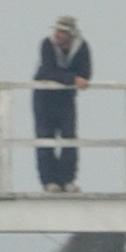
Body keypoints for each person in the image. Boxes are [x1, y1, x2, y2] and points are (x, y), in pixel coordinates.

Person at [33, 15, 92, 192]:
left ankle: (68, 180)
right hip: (44, 98)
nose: (57, 34)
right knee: (45, 138)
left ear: (71, 34)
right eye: (57, 30)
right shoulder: (47, 44)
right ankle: (49, 181)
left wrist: (72, 79)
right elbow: (48, 71)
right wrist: (72, 78)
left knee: (69, 138)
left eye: (62, 31)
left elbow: (86, 72)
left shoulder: (81, 47)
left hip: (66, 98)